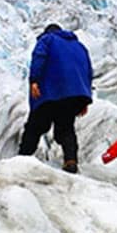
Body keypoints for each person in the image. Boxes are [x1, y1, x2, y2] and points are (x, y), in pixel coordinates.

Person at [18, 24, 94, 173]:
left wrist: (34, 80)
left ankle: (22, 158)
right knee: (66, 128)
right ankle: (70, 160)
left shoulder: (47, 40)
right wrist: (85, 97)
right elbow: (88, 70)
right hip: (74, 94)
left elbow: (39, 56)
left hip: (51, 91)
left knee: (35, 126)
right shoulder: (79, 46)